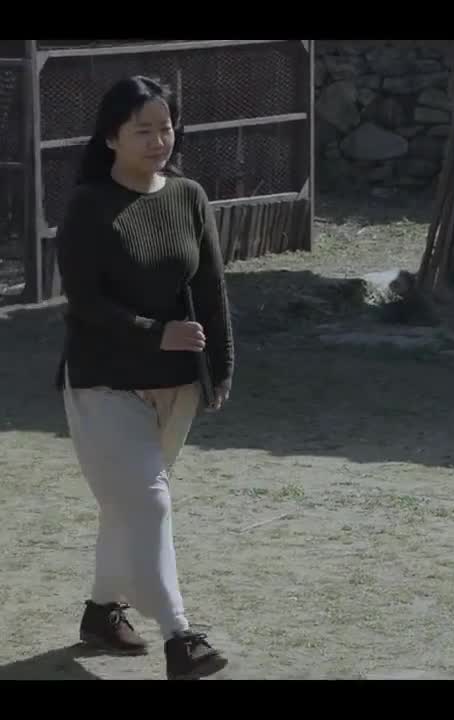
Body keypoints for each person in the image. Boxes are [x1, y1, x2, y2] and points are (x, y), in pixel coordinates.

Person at [54, 75, 234, 680]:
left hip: (176, 383)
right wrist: (154, 331)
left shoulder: (188, 196)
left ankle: (102, 613)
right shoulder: (88, 205)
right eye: (144, 131)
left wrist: (220, 366)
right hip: (102, 382)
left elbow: (211, 288)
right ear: (112, 137)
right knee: (149, 502)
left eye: (166, 128)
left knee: (126, 505)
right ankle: (181, 636)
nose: (160, 141)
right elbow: (84, 302)